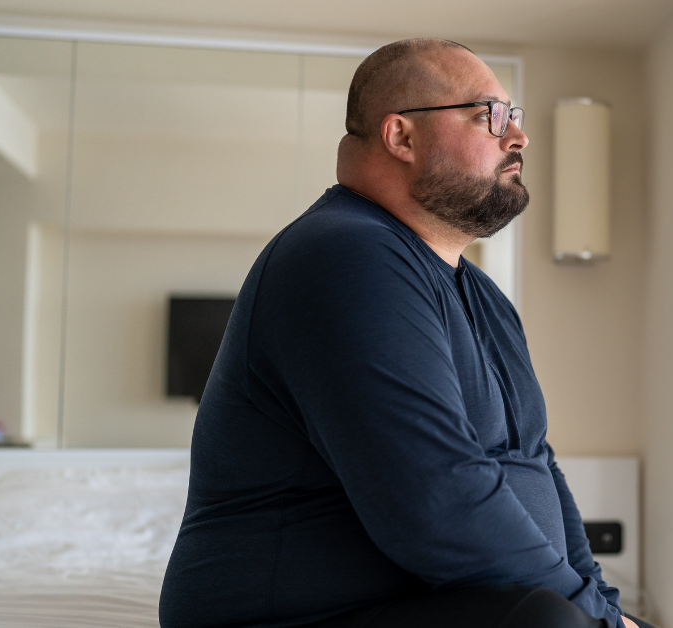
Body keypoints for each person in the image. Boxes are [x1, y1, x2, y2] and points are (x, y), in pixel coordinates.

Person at [158, 38, 647, 628]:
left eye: (514, 117)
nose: (517, 137)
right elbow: (436, 499)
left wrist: (605, 608)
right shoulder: (342, 255)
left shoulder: (486, 297)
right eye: (489, 115)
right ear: (401, 137)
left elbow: (536, 464)